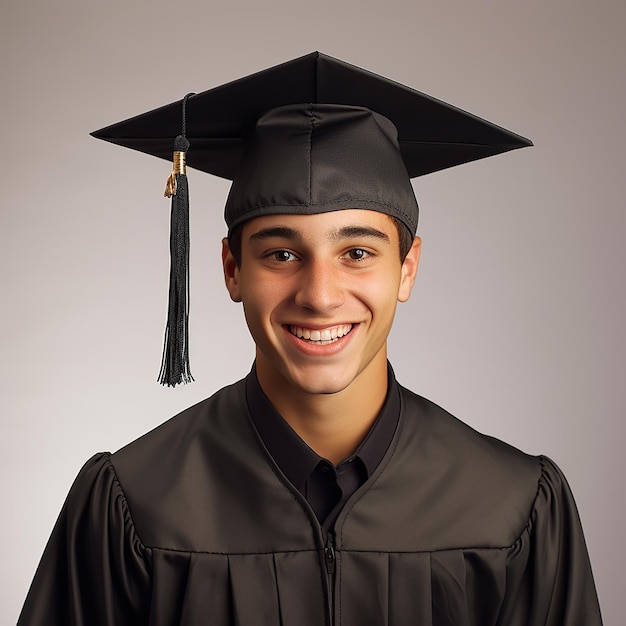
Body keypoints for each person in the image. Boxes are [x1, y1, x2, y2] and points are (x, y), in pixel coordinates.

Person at [17, 52, 602, 625]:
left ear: (407, 268)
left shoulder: (513, 509)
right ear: (231, 269)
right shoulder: (137, 505)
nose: (319, 294)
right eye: (281, 253)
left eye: (357, 253)